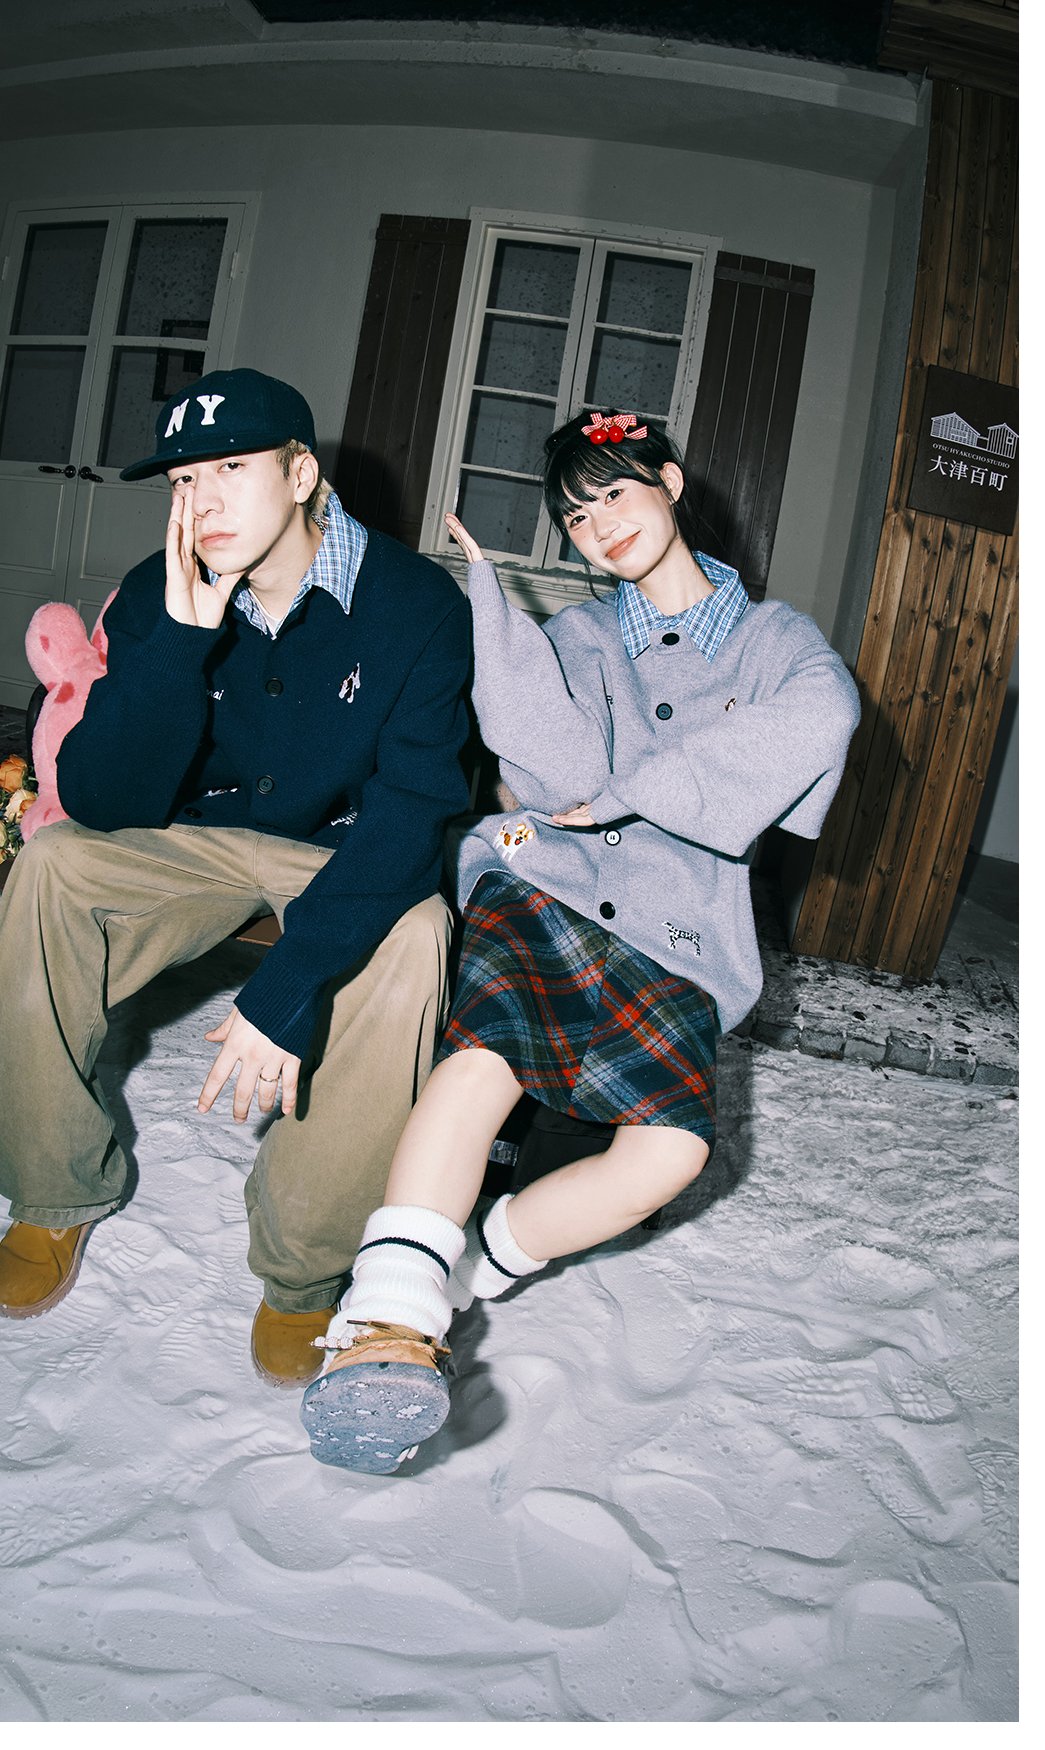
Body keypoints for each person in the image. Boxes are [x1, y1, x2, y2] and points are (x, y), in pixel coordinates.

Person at [299, 406, 861, 1473]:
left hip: (681, 928)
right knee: (486, 1057)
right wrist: (493, 610)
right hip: (551, 880)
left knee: (672, 1151)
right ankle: (383, 1319)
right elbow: (549, 774)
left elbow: (822, 717)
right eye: (575, 518)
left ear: (671, 483)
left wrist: (638, 793)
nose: (599, 527)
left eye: (614, 494)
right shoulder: (583, 636)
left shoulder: (774, 641)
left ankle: (472, 1269)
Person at [0, 367, 473, 1389]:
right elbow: (104, 800)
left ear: (301, 475)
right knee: (55, 864)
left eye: (230, 469)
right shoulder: (159, 586)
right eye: (181, 480)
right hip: (195, 840)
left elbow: (414, 814)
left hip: (341, 852)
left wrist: (288, 987)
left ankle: (305, 1265)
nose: (200, 502)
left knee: (417, 932)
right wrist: (182, 640)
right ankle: (53, 1187)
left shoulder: (417, 604)